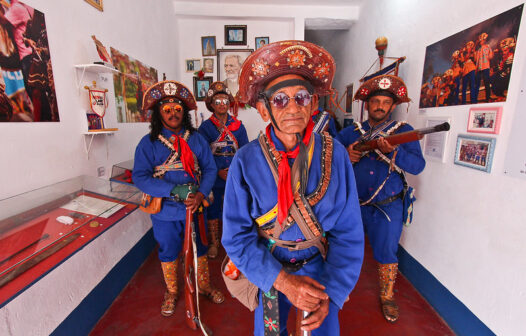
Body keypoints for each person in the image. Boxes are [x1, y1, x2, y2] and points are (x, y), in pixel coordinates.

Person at [222, 40, 364, 335]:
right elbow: (236, 238)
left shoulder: (336, 155)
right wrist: (283, 281)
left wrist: (334, 293)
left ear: (313, 104)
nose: (292, 108)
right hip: (270, 270)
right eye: (279, 100)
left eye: (301, 97)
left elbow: (349, 233)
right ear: (263, 110)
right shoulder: (245, 161)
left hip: (321, 269)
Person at [336, 74, 426, 323]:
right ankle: (338, 291)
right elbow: (327, 156)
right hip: (353, 206)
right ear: (368, 104)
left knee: (387, 252)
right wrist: (347, 154)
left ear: (392, 106)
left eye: (385, 103)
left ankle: (387, 296)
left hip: (388, 205)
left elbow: (417, 166)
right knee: (343, 248)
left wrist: (394, 152)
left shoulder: (404, 132)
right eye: (375, 101)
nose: (379, 106)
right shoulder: (352, 132)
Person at [132, 80, 224, 318]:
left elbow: (210, 169)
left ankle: (204, 286)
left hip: (196, 208)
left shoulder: (196, 139)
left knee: (201, 248)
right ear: (158, 113)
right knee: (169, 249)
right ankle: (172, 291)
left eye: (178, 109)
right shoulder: (148, 143)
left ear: (184, 112)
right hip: (165, 212)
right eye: (167, 110)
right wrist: (173, 191)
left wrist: (201, 194)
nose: (173, 114)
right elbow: (141, 178)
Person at [198, 81, 249, 258]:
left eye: (225, 101)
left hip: (234, 176)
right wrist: (218, 170)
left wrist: (234, 171)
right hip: (214, 176)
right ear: (211, 105)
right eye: (218, 101)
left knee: (235, 208)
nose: (222, 104)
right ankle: (213, 243)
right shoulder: (205, 128)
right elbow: (203, 154)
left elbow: (244, 152)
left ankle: (234, 243)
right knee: (213, 208)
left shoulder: (238, 126)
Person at [474, 33, 494, 103]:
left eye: (482, 40)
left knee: (486, 83)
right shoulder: (478, 50)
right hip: (479, 68)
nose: (481, 41)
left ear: (485, 40)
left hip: (485, 67)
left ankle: (487, 98)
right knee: (477, 84)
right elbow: (476, 60)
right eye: (480, 41)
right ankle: (474, 99)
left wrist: (489, 56)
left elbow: (491, 56)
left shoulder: (487, 46)